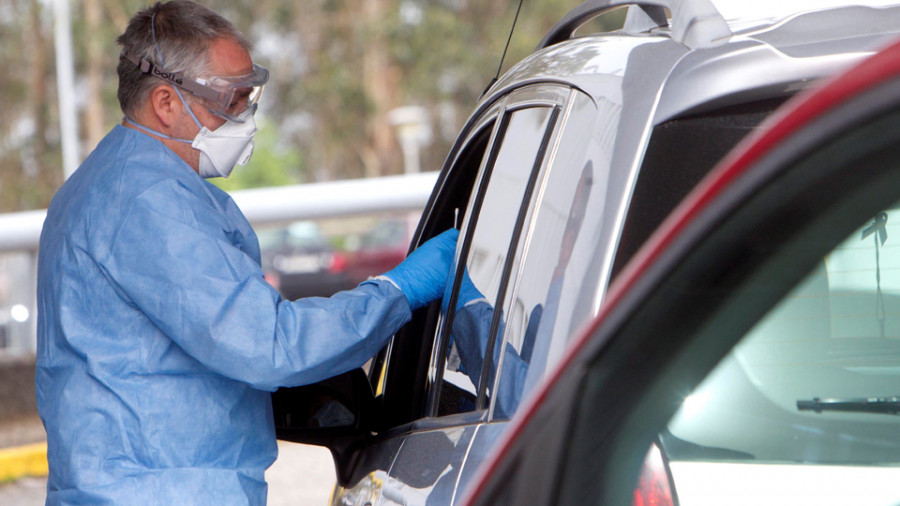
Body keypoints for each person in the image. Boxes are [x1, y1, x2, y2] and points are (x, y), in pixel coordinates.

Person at [34, 1, 457, 504]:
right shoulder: (147, 202)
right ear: (166, 103)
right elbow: (269, 345)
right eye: (232, 98)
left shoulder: (119, 181)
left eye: (250, 93)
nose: (246, 114)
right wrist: (398, 290)